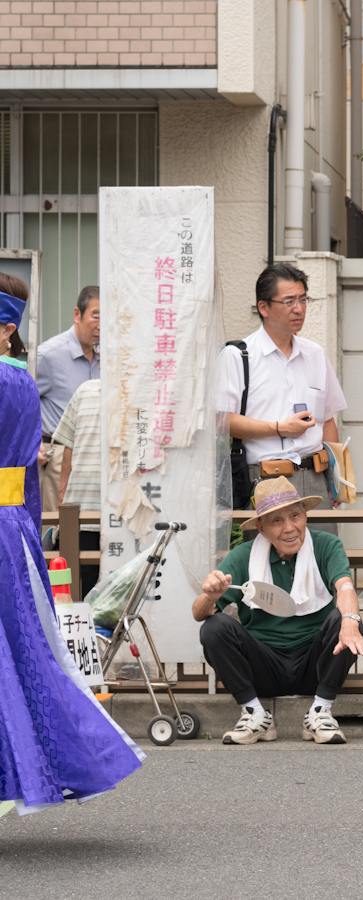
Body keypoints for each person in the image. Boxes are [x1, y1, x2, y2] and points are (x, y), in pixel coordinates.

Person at [0, 274, 143, 816]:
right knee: (24, 656)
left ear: (6, 327)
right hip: (11, 527)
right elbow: (27, 482)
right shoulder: (19, 380)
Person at [193, 476, 363, 745]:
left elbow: (345, 587)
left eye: (295, 516)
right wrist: (210, 596)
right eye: (276, 521)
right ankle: (255, 714)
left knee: (347, 617)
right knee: (213, 627)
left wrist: (350, 621)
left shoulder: (326, 545)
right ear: (262, 530)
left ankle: (320, 711)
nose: (289, 528)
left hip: (314, 666)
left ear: (305, 515)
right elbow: (197, 613)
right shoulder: (243, 556)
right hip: (263, 667)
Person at [220, 264, 346, 533]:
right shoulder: (239, 356)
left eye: (303, 299)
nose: (299, 308)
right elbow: (222, 420)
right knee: (268, 570)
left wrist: (337, 480)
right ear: (263, 307)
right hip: (266, 481)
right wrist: (278, 428)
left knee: (321, 565)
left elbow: (327, 420)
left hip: (315, 481)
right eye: (289, 301)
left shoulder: (315, 354)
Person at [35, 285, 101, 513]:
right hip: (59, 456)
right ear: (77, 314)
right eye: (96, 316)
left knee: (94, 534)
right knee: (57, 531)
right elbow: (18, 406)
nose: (101, 326)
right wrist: (31, 446)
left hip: (99, 459)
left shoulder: (111, 355)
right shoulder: (48, 355)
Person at [52, 379, 103, 599]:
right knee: (77, 580)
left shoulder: (145, 391)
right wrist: (63, 492)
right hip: (81, 503)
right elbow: (68, 448)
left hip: (124, 512)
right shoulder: (85, 389)